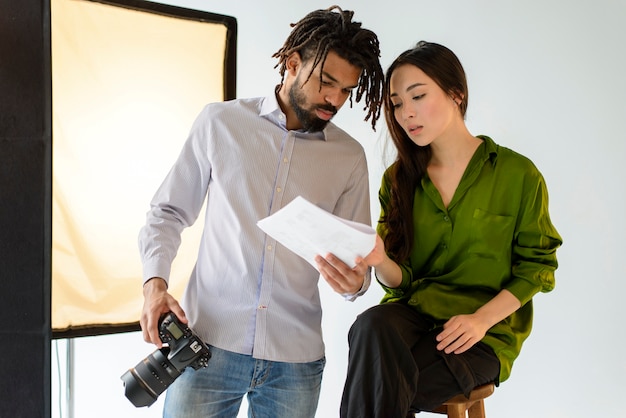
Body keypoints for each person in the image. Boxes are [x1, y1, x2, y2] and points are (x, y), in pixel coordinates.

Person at [138, 6, 384, 418]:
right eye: (326, 82)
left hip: (296, 362)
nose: (335, 99)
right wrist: (154, 286)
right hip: (207, 347)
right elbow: (167, 212)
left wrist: (355, 282)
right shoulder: (221, 123)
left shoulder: (349, 158)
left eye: (346, 90)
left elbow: (354, 265)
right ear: (292, 64)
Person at [336, 41, 563, 417]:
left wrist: (481, 320)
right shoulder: (398, 180)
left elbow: (537, 267)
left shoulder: (517, 175)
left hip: (482, 334)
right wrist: (380, 260)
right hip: (412, 318)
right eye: (396, 103)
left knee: (383, 387)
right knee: (371, 325)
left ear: (457, 94)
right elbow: (401, 280)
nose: (406, 113)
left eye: (418, 96)